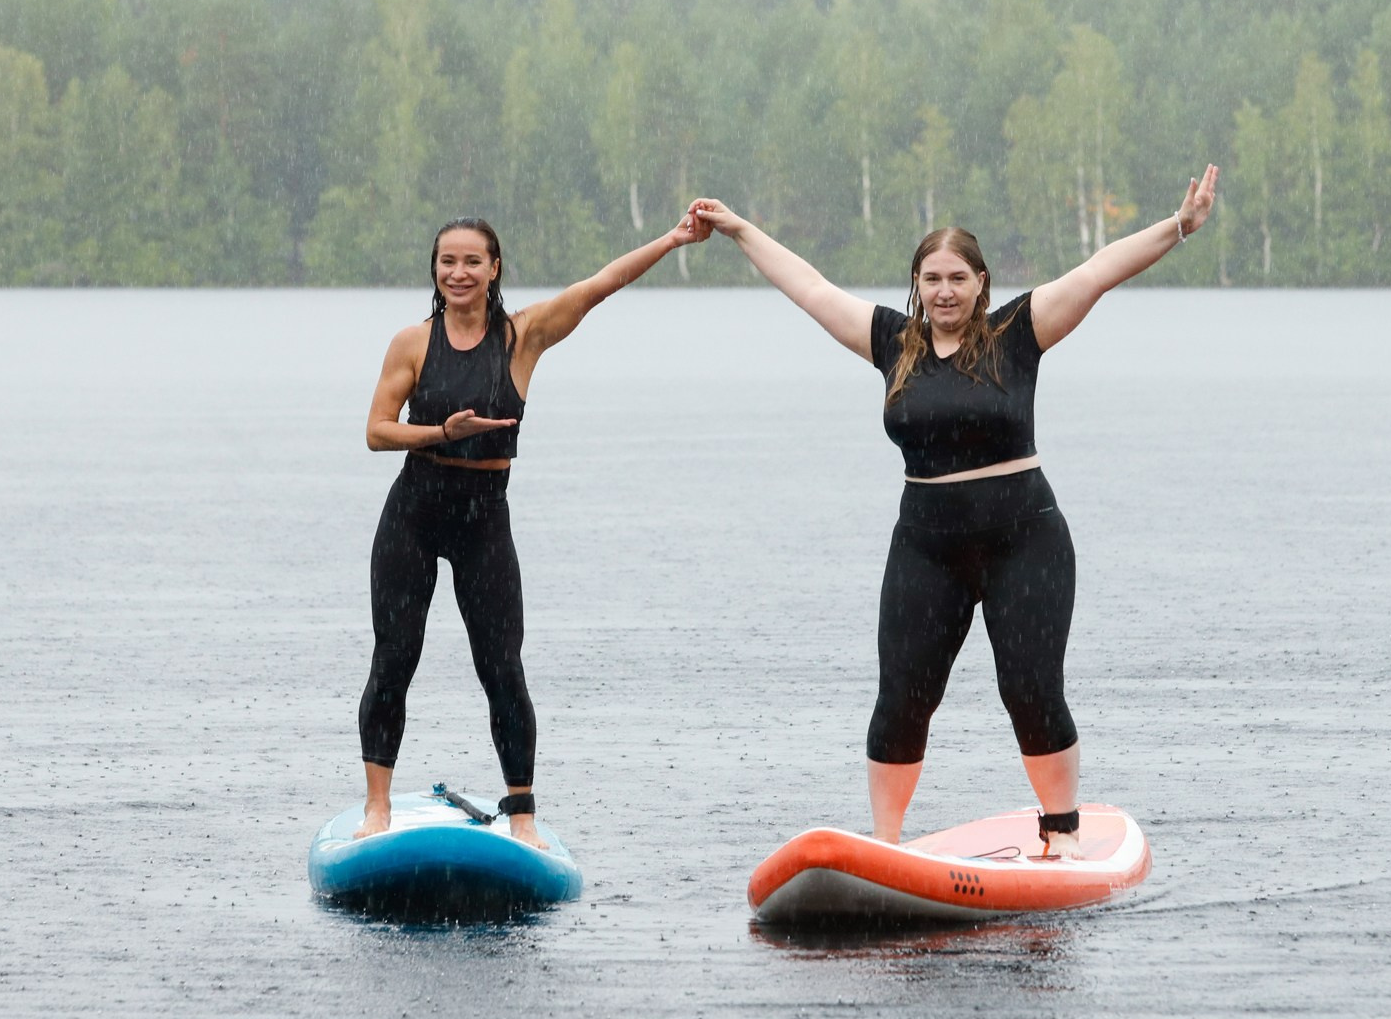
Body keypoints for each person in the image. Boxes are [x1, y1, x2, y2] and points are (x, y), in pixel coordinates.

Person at [690, 165, 1217, 856]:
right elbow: (810, 287)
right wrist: (738, 229)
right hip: (926, 548)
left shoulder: (1018, 333)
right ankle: (884, 845)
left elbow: (1098, 270)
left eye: (957, 279)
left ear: (980, 284)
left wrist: (1179, 227)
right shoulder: (891, 345)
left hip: (1025, 540)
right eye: (931, 279)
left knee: (1029, 690)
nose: (944, 291)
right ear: (917, 286)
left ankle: (1060, 832)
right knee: (903, 700)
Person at [356, 212, 709, 848]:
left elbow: (601, 284)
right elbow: (377, 430)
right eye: (447, 262)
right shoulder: (412, 342)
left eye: (471, 262)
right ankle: (375, 807)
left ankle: (522, 817)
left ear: (494, 269)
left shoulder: (523, 337)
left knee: (502, 668)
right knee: (394, 658)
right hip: (413, 513)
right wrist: (441, 433)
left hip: (484, 520)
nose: (458, 273)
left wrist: (674, 240)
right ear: (435, 271)